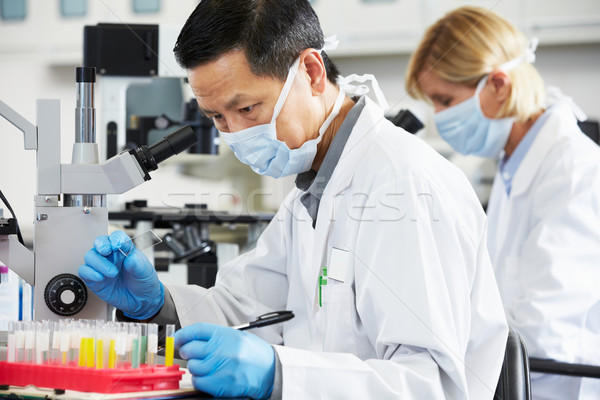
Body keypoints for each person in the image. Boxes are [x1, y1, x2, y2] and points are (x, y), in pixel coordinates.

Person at [79, 1, 508, 398]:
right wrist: (159, 304)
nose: (235, 134)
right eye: (216, 118)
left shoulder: (405, 185)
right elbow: (247, 308)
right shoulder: (313, 187)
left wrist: (280, 374)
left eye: (247, 109)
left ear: (312, 71)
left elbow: (431, 385)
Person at [405, 6, 600, 400]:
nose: (438, 117)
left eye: (444, 100)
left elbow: (541, 328)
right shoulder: (514, 163)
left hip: (551, 387)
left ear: (498, 85)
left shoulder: (576, 173)